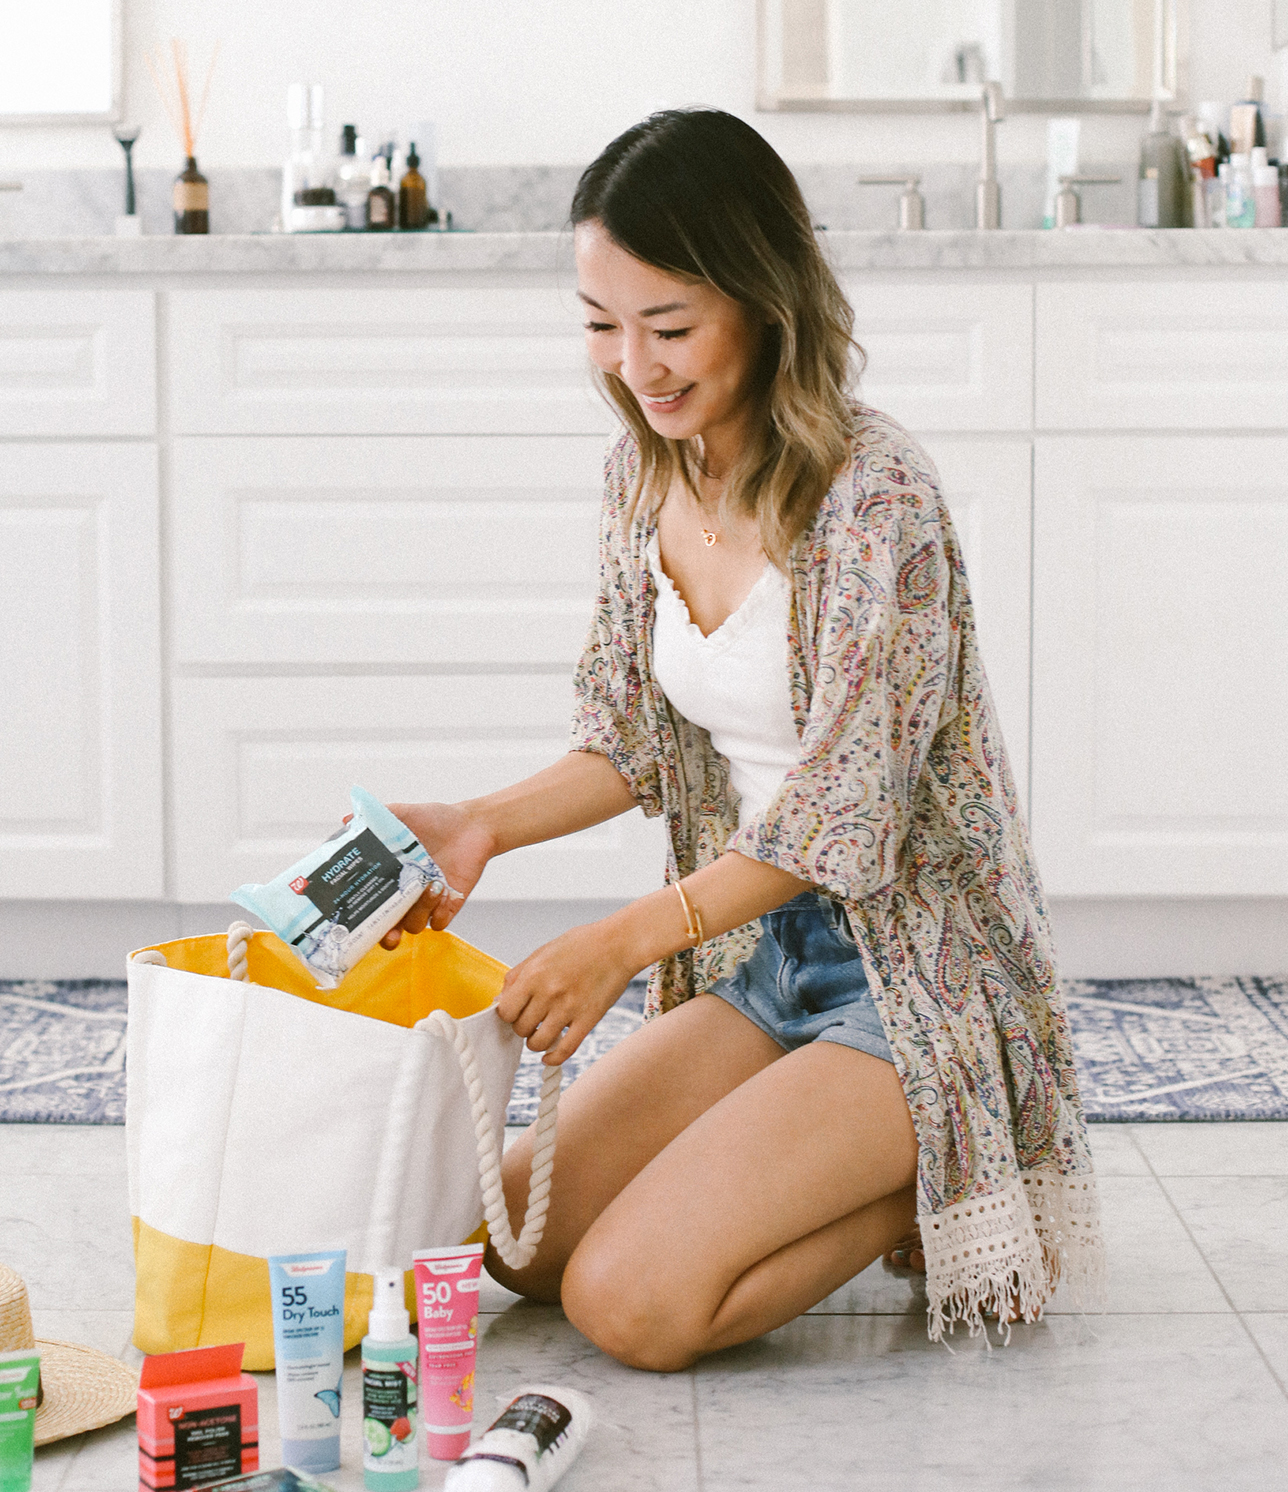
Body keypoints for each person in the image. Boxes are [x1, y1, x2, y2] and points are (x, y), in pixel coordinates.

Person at [386, 110, 1101, 1368]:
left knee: (631, 1304)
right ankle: (870, 1163)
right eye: (601, 322)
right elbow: (628, 738)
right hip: (761, 954)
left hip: (913, 974)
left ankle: (957, 1163)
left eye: (668, 327)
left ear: (764, 304)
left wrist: (617, 941)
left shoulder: (879, 500)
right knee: (512, 1236)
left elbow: (845, 813)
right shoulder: (640, 471)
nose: (633, 364)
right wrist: (480, 822)